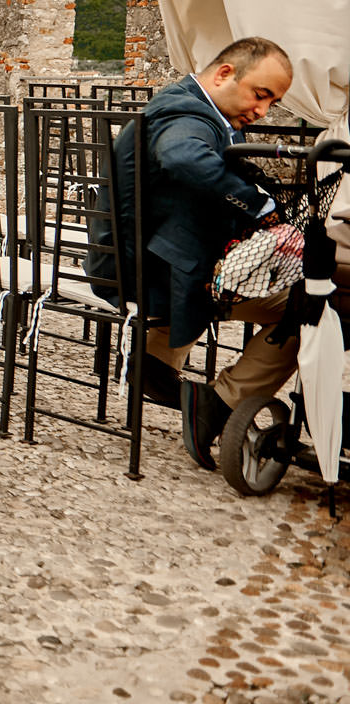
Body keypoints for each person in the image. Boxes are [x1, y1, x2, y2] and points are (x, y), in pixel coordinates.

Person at [107, 37, 298, 468]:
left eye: (273, 101)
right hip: (156, 274)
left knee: (236, 260)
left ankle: (155, 362)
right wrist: (261, 206)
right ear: (225, 73)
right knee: (308, 306)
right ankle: (220, 402)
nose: (263, 111)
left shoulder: (184, 102)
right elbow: (182, 157)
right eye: (260, 94)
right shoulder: (188, 114)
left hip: (136, 258)